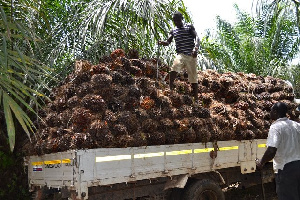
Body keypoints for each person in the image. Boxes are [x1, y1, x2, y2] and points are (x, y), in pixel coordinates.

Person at [256, 102, 300, 200]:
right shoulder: (296, 125)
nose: (269, 113)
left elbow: (271, 150)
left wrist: (261, 162)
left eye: (271, 110)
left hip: (286, 170)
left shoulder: (276, 127)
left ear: (275, 112)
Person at [159, 11, 200, 100]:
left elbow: (197, 37)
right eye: (175, 21)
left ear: (182, 19)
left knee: (193, 77)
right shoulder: (173, 30)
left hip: (190, 55)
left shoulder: (189, 27)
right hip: (181, 54)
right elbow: (168, 42)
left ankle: (196, 98)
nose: (176, 22)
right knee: (174, 68)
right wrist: (163, 43)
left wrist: (195, 48)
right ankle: (170, 89)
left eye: (178, 20)